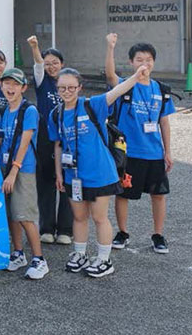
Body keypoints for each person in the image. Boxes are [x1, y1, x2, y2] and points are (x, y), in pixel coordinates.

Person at [51, 65, 149, 278]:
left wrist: (135, 76)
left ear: (80, 87)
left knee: (99, 217)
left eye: (71, 87)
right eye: (62, 88)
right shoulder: (56, 113)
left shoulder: (92, 105)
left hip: (100, 174)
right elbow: (58, 145)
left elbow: (117, 91)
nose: (67, 92)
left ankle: (104, 259)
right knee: (79, 217)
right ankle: (80, 254)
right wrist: (59, 174)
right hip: (73, 175)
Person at [104, 34, 176, 254]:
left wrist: (168, 152)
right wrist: (110, 47)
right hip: (128, 153)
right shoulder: (126, 86)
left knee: (158, 194)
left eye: (148, 59)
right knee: (123, 194)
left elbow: (164, 122)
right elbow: (110, 75)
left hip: (154, 152)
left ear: (154, 62)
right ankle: (123, 232)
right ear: (131, 62)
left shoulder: (161, 90)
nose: (144, 63)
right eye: (139, 60)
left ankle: (158, 235)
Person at [0, 68, 47, 280]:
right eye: (7, 83)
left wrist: (14, 171)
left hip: (22, 169)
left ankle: (39, 259)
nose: (10, 88)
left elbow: (25, 142)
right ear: (1, 86)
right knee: (12, 214)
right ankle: (18, 253)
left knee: (25, 215)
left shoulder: (29, 110)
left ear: (23, 88)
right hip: (6, 167)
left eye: (15, 84)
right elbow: (5, 139)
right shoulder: (5, 110)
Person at [27, 35, 72, 246]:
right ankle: (46, 228)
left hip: (68, 135)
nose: (51, 67)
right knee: (46, 182)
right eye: (48, 63)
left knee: (68, 181)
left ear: (62, 64)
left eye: (55, 63)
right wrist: (35, 47)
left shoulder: (69, 83)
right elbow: (37, 65)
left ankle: (65, 229)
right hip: (45, 136)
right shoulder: (42, 82)